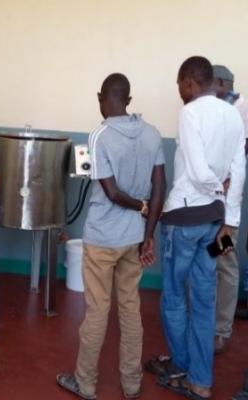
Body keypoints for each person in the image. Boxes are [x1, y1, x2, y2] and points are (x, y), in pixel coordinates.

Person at [57, 73, 166, 399]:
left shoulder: (99, 135)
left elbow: (113, 192)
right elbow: (160, 187)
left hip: (103, 239)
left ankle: (86, 384)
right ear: (128, 100)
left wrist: (141, 206)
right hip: (133, 239)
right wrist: (148, 233)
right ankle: (131, 385)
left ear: (101, 98)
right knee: (131, 310)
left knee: (97, 312)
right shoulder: (152, 134)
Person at [157, 56, 245, 400]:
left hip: (183, 220)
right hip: (215, 224)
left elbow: (195, 169)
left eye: (180, 85)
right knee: (205, 300)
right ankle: (201, 381)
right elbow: (238, 170)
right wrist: (228, 213)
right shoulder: (233, 114)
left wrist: (212, 188)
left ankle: (181, 366)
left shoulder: (190, 111)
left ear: (189, 81)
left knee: (175, 298)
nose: (179, 91)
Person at [212, 64, 248, 354]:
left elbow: (238, 159)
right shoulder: (216, 110)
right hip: (210, 207)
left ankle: (221, 330)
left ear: (224, 83)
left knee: (225, 264)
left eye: (212, 85)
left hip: (228, 213)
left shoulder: (242, 110)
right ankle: (209, 323)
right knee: (210, 260)